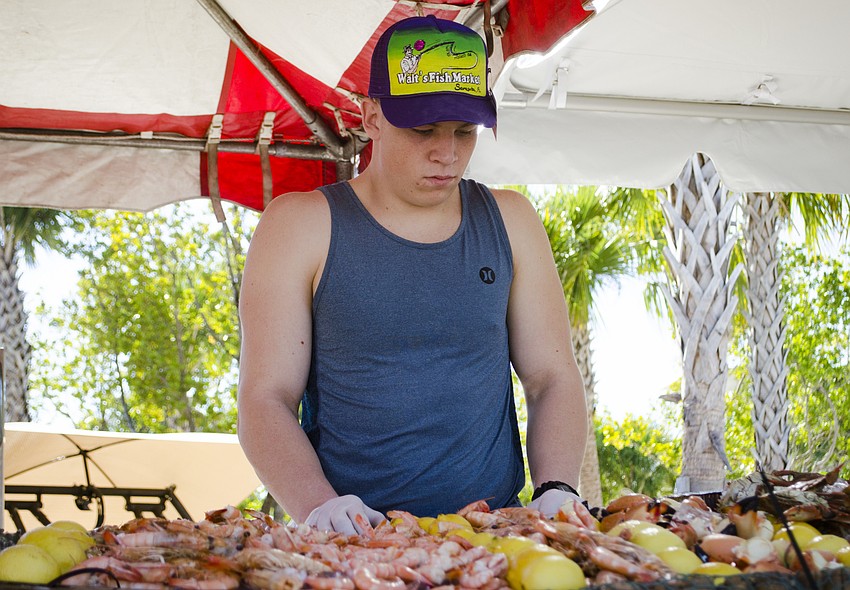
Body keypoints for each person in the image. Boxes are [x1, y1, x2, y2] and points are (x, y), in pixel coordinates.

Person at [237, 14, 588, 535]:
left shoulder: (511, 220)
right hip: (353, 543)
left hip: (494, 535)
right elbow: (265, 400)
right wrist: (321, 510)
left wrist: (557, 487)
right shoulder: (298, 225)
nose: (446, 153)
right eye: (423, 130)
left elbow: (552, 377)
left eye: (465, 131)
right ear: (370, 115)